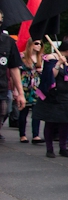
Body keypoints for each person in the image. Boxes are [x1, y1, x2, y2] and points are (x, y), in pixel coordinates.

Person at [33, 39, 68, 157]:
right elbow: (49, 76)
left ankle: (63, 147)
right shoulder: (51, 58)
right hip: (52, 95)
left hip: (64, 95)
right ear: (67, 49)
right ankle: (50, 149)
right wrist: (58, 64)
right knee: (51, 122)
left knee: (66, 121)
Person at [0, 10, 26, 142]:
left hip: (2, 89)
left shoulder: (8, 42)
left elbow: (14, 68)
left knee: (4, 111)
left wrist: (20, 93)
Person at [18, 38, 43, 143]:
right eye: (36, 43)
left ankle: (36, 135)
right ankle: (22, 134)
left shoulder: (41, 58)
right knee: (24, 111)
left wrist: (42, 70)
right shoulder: (22, 57)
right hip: (25, 85)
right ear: (30, 44)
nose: (38, 46)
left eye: (40, 44)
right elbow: (17, 72)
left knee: (37, 112)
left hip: (37, 86)